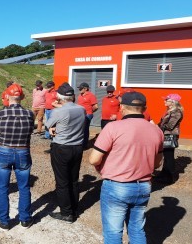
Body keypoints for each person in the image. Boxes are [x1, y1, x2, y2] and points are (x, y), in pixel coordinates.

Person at [89, 91, 163, 244]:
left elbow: (94, 159)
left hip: (117, 185)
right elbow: (156, 164)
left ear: (122, 107)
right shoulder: (157, 131)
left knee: (113, 232)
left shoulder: (112, 128)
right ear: (144, 108)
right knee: (137, 230)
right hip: (143, 186)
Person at [0, 83, 34, 230]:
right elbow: (31, 130)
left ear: (7, 96)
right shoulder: (30, 114)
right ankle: (25, 219)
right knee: (24, 187)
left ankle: (3, 221)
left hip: (4, 150)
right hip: (23, 152)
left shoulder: (0, 113)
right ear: (21, 97)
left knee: (2, 188)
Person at [45, 82, 86, 223]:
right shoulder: (81, 109)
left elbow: (48, 124)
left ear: (59, 96)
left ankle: (66, 213)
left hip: (62, 147)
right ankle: (74, 208)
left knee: (62, 182)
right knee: (73, 180)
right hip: (77, 147)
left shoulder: (59, 111)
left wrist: (52, 127)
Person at [155, 93, 184, 184]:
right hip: (166, 135)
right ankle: (164, 174)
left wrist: (158, 127)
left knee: (169, 156)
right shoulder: (169, 111)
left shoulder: (176, 112)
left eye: (166, 100)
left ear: (173, 102)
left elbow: (170, 126)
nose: (164, 101)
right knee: (166, 156)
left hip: (170, 136)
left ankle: (170, 177)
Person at [77, 82, 98, 148]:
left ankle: (84, 144)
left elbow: (96, 106)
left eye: (80, 88)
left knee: (85, 129)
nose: (79, 90)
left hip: (87, 115)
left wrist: (90, 112)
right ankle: (80, 142)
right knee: (80, 129)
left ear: (85, 88)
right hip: (80, 115)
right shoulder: (80, 95)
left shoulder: (91, 95)